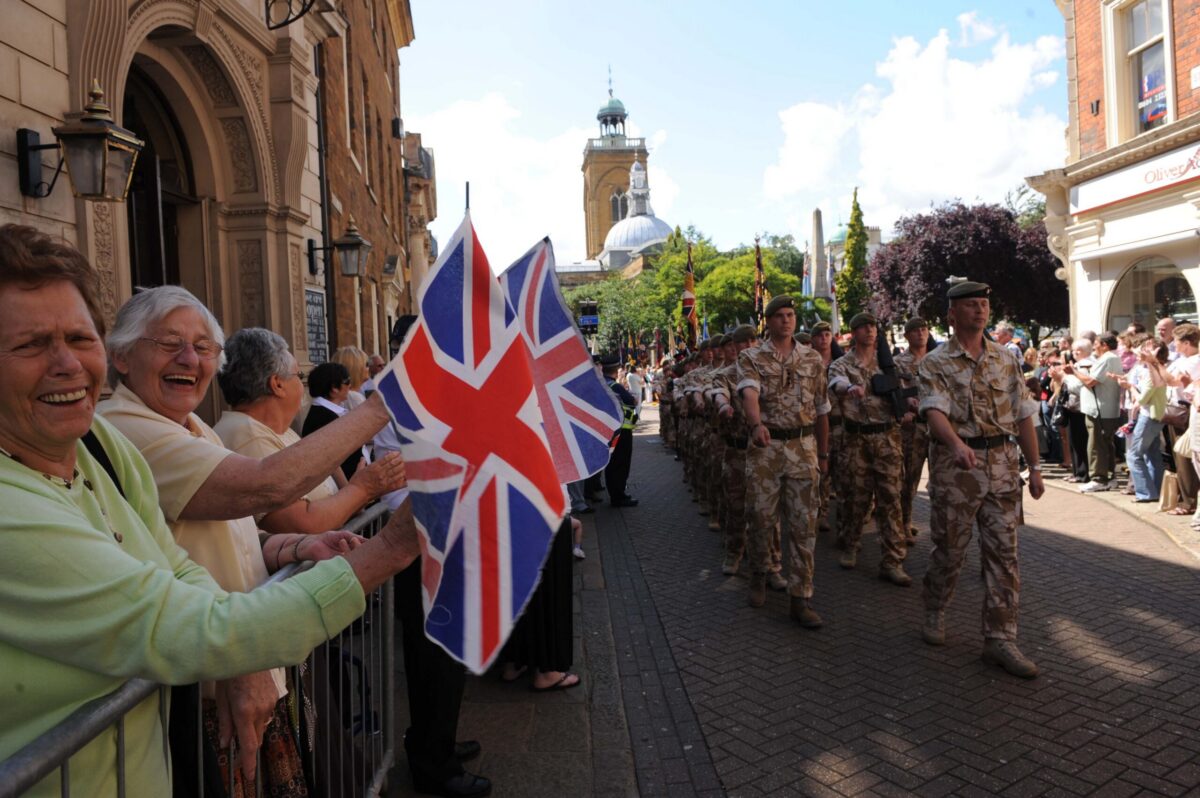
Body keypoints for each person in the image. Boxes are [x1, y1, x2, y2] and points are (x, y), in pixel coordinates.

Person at [0, 225, 423, 798]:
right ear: (125, 356)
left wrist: (247, 632)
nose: (67, 365)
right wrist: (390, 546)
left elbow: (180, 564)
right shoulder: (72, 462)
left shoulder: (101, 443)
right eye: (29, 344)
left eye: (79, 338)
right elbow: (259, 498)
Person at [918, 280, 1044, 679]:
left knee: (1004, 555)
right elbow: (934, 411)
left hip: (1003, 465)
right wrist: (955, 443)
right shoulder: (934, 363)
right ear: (952, 315)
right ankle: (936, 607)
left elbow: (1024, 413)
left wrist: (1037, 467)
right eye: (971, 305)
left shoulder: (1006, 359)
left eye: (984, 304)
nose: (980, 311)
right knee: (950, 550)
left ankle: (1000, 638)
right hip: (958, 469)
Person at [213, 328, 406, 533]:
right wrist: (362, 489)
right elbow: (301, 523)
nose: (302, 384)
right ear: (277, 384)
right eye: (299, 375)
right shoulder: (248, 437)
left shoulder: (278, 432)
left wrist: (357, 494)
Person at [737, 296, 830, 626]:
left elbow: (822, 410)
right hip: (767, 448)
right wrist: (756, 424)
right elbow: (749, 393)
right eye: (779, 316)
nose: (787, 321)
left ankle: (801, 597)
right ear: (769, 321)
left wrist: (823, 452)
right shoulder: (751, 357)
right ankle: (760, 571)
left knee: (804, 526)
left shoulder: (812, 359)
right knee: (761, 518)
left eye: (790, 315)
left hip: (803, 448)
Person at [828, 313, 910, 586]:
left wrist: (911, 405)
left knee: (891, 500)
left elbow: (907, 390)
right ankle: (851, 544)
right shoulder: (842, 364)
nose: (870, 331)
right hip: (856, 440)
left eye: (873, 326)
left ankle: (893, 560)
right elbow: (835, 383)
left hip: (887, 438)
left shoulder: (890, 364)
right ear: (853, 333)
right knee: (855, 498)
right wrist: (849, 387)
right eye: (863, 327)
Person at [710, 325, 760, 575]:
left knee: (764, 510)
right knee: (737, 507)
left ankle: (769, 563)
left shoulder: (768, 371)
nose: (749, 345)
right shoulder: (726, 375)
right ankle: (734, 553)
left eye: (753, 340)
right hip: (737, 451)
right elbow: (719, 394)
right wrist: (723, 406)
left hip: (763, 452)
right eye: (743, 342)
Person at [1118, 337, 1170, 502]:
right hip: (1152, 415)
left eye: (1144, 349)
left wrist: (1130, 387)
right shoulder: (1151, 369)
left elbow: (1143, 398)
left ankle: (1146, 493)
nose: (1140, 351)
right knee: (1152, 454)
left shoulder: (1151, 371)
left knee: (1134, 455)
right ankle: (1156, 490)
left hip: (1149, 416)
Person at [1069, 332, 1122, 493]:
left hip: (1100, 409)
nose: (1094, 347)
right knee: (1106, 444)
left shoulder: (1107, 358)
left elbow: (1091, 381)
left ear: (1105, 345)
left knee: (1096, 445)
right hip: (1105, 408)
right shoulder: (1112, 358)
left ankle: (1099, 478)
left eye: (1097, 344)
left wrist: (1074, 372)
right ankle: (1110, 477)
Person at [895, 317, 931, 544]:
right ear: (907, 335)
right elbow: (897, 394)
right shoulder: (898, 363)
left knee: (940, 480)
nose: (920, 333)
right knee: (909, 477)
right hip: (913, 428)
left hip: (937, 427)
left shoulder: (938, 360)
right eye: (915, 331)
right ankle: (904, 522)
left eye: (924, 329)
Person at [303, 361, 368, 479]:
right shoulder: (323, 417)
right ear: (334, 388)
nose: (350, 385)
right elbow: (330, 461)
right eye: (347, 381)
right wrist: (348, 489)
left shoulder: (329, 412)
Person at [603, 355, 639, 506]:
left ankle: (614, 494)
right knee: (621, 463)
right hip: (622, 431)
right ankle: (619, 496)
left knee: (611, 464)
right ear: (616, 370)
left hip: (608, 430)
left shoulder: (601, 384)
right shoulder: (615, 386)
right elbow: (631, 401)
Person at [332, 345, 370, 411]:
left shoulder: (341, 395)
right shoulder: (353, 397)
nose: (369, 368)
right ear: (356, 368)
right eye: (366, 365)